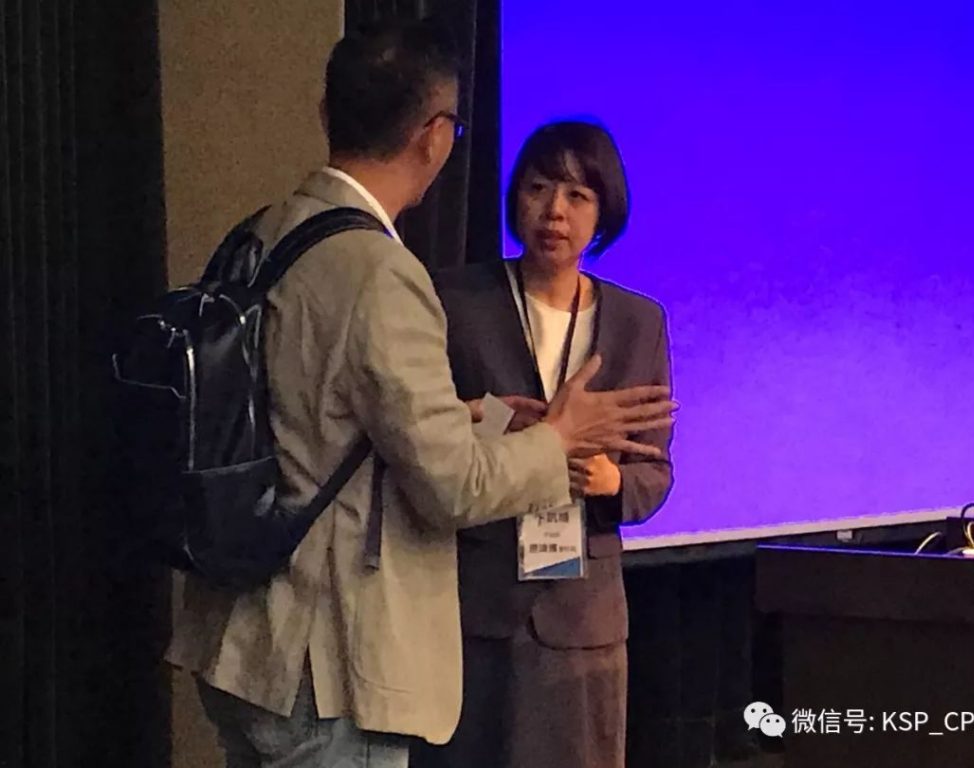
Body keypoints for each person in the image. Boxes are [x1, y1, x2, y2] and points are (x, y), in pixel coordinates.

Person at [165, 21, 675, 768]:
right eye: (540, 187)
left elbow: (315, 406)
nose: (556, 209)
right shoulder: (386, 274)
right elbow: (452, 486)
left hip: (241, 637)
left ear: (326, 111)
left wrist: (464, 416)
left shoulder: (267, 230)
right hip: (326, 658)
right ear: (435, 137)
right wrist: (558, 439)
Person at [412, 120, 674, 768]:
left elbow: (655, 474)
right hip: (476, 606)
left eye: (578, 196)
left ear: (603, 211)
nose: (555, 211)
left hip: (583, 619)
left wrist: (614, 483)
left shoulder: (638, 321)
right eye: (538, 189)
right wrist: (509, 432)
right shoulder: (456, 301)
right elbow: (425, 432)